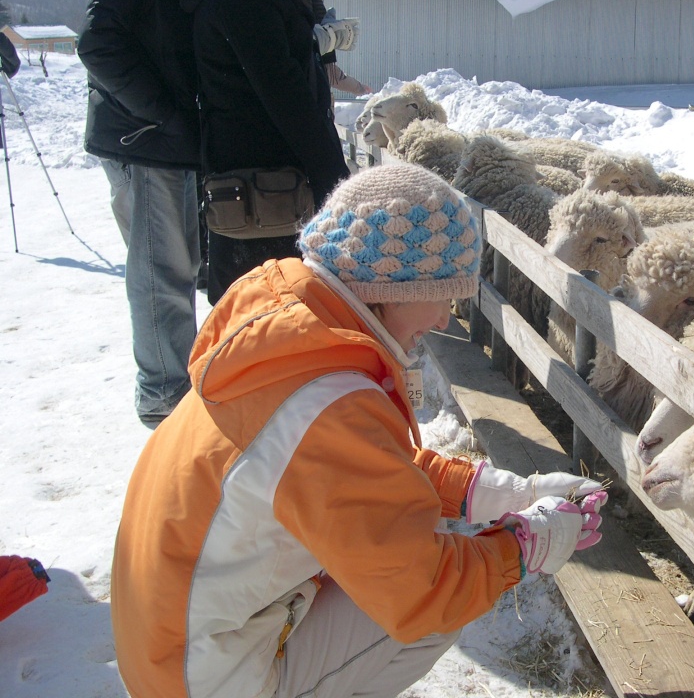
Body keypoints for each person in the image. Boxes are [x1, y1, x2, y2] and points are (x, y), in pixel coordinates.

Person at [109, 163, 607, 698]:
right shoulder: (324, 401)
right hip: (204, 676)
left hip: (170, 641)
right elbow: (425, 591)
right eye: (444, 292)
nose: (444, 319)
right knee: (432, 612)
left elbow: (364, 468)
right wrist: (525, 545)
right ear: (394, 283)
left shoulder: (294, 330)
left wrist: (509, 493)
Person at [78, 0, 209, 424]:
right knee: (161, 270)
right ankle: (164, 397)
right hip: (145, 142)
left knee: (178, 266)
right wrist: (162, 115)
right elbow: (96, 44)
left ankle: (176, 384)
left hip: (162, 143)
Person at [180, 0, 350, 305]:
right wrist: (338, 187)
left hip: (249, 196)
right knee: (274, 320)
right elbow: (288, 99)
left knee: (256, 319)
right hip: (268, 200)